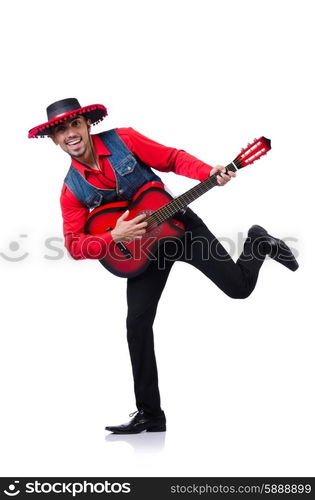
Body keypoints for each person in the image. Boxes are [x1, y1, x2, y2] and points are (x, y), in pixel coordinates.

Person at [29, 98, 298, 434]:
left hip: (180, 229)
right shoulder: (72, 190)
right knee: (136, 326)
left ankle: (259, 242)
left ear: (87, 124)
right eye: (60, 130)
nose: (70, 133)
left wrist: (208, 172)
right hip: (143, 256)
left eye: (74, 124)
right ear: (54, 140)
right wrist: (115, 235)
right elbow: (73, 245)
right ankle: (150, 415)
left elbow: (171, 159)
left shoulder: (123, 139)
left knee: (240, 289)